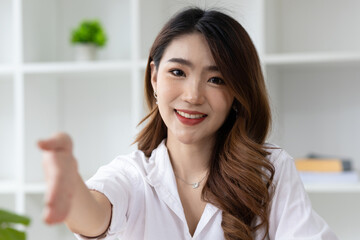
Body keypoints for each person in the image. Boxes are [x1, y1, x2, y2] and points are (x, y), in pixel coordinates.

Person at [38, 7, 339, 240]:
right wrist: (70, 187)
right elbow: (93, 215)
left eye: (216, 79)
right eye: (178, 73)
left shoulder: (271, 171)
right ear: (154, 77)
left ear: (236, 93)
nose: (193, 96)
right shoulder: (132, 175)